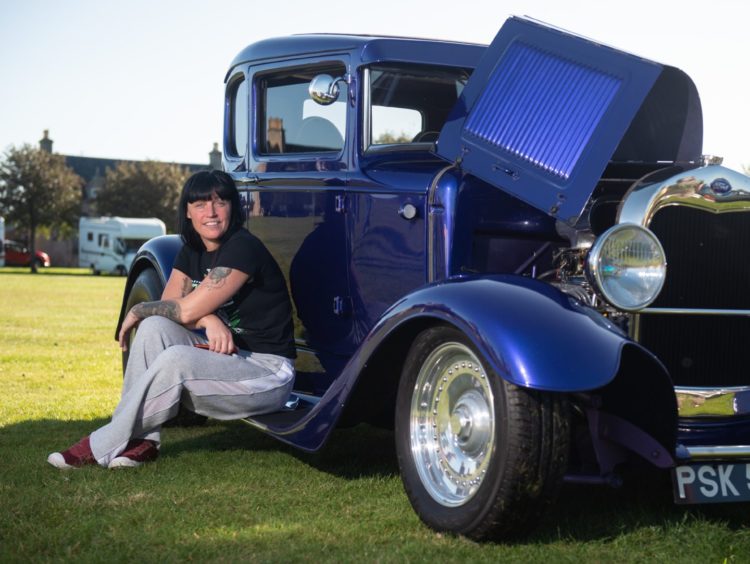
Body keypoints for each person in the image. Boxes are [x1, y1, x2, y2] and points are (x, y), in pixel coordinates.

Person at [48, 170, 296, 469]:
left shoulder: (243, 247)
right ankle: (145, 442)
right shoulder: (191, 251)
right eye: (201, 204)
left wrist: (139, 310)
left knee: (175, 354)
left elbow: (184, 310)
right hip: (226, 359)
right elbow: (171, 308)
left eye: (220, 202)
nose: (212, 212)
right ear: (188, 212)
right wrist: (208, 321)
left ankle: (100, 444)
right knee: (155, 327)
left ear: (233, 207)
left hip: (266, 373)